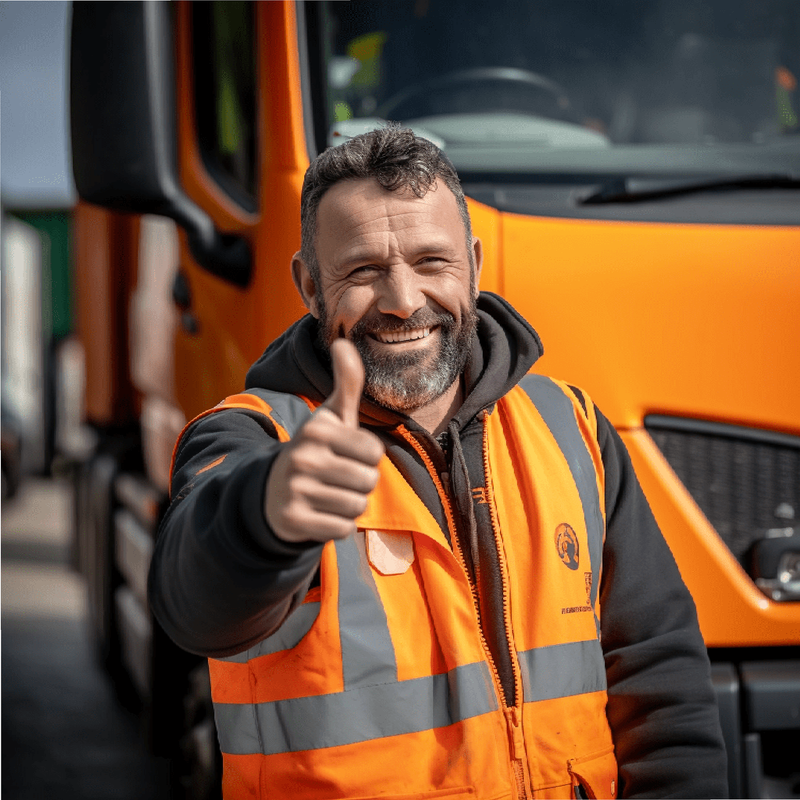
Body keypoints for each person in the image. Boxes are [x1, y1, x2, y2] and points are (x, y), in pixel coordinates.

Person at [149, 126, 728, 799]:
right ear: (310, 285)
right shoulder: (252, 439)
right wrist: (268, 516)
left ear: (474, 266)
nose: (403, 300)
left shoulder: (573, 428)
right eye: (363, 270)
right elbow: (194, 606)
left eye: (432, 262)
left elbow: (657, 678)